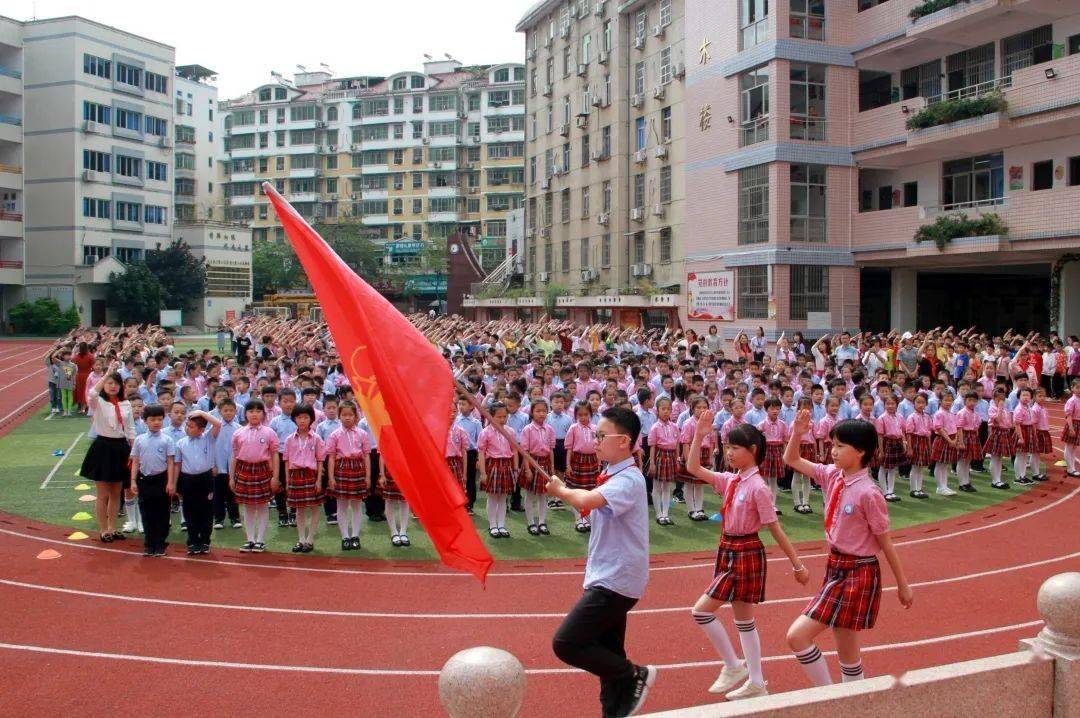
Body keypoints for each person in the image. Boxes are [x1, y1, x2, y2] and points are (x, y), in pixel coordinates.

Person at [783, 410, 913, 686]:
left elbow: (885, 542)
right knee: (848, 654)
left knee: (798, 636)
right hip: (836, 567)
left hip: (858, 570)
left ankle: (829, 697)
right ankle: (853, 700)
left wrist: (903, 585)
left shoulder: (869, 492)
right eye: (833, 444)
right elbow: (791, 459)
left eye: (841, 446)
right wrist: (797, 432)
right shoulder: (832, 476)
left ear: (861, 451)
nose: (833, 451)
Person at [685, 411, 809, 700]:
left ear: (752, 450)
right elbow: (693, 467)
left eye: (734, 448)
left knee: (701, 611)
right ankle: (756, 681)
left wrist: (797, 565)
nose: (728, 453)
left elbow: (775, 529)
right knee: (744, 621)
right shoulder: (731, 480)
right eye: (727, 447)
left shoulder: (757, 488)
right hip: (728, 549)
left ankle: (733, 666)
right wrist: (699, 435)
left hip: (745, 551)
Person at [546, 407, 656, 718]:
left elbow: (586, 501)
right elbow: (590, 506)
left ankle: (635, 674)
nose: (594, 441)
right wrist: (568, 493)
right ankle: (613, 711)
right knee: (608, 653)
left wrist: (561, 491)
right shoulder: (613, 477)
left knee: (566, 643)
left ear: (623, 441)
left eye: (600, 436)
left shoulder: (629, 480)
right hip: (608, 576)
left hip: (616, 580)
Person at [79, 361, 135, 542]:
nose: (113, 386)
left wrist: (133, 451)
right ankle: (103, 530)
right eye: (110, 383)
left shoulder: (126, 404)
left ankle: (113, 528)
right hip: (103, 448)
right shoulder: (99, 402)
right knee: (102, 494)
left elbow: (130, 428)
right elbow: (92, 393)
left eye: (116, 383)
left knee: (115, 491)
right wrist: (107, 374)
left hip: (120, 448)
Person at [229, 399, 279, 553]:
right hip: (243, 469)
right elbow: (234, 456)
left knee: (263, 505)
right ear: (245, 414)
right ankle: (250, 539)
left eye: (258, 411)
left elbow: (275, 455)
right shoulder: (238, 433)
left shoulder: (269, 432)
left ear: (263, 414)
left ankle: (261, 540)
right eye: (251, 411)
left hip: (262, 469)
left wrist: (275, 477)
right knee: (248, 506)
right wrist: (231, 477)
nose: (254, 414)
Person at [172, 409, 222, 555]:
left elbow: (218, 424)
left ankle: (205, 540)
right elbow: (178, 465)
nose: (188, 428)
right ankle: (193, 540)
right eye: (187, 425)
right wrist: (174, 483)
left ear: (201, 429)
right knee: (189, 511)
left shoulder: (208, 438)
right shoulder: (181, 443)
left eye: (192, 426)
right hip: (187, 479)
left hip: (205, 479)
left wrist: (201, 413)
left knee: (206, 510)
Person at [128, 404, 175, 556]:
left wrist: (170, 482)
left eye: (159, 419)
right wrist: (133, 481)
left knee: (162, 513)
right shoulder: (140, 440)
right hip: (144, 479)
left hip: (161, 479)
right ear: (144, 421)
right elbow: (135, 461)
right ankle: (149, 543)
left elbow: (170, 462)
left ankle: (160, 544)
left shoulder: (167, 439)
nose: (156, 422)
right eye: (152, 419)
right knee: (146, 512)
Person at [326, 401, 371, 551]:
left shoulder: (362, 433)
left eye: (350, 415)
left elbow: (366, 456)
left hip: (358, 468)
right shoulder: (334, 435)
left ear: (356, 416)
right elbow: (331, 457)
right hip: (341, 468)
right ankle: (345, 536)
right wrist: (331, 477)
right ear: (339, 416)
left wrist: (368, 476)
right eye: (344, 415)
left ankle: (355, 535)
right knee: (342, 506)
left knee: (357, 505)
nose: (347, 418)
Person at [283, 403, 325, 553]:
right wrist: (288, 480)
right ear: (294, 419)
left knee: (314, 508)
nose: (302, 420)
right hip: (295, 475)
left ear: (311, 419)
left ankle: (310, 539)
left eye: (306, 417)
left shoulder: (316, 438)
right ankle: (301, 539)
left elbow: (320, 460)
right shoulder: (289, 439)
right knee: (299, 510)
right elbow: (286, 460)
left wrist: (319, 480)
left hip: (311, 474)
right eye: (299, 417)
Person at [477, 402, 519, 539]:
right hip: (493, 465)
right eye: (498, 417)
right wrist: (483, 472)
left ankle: (501, 525)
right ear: (490, 417)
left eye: (504, 416)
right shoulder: (485, 432)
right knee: (492, 497)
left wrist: (516, 468)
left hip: (506, 464)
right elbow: (481, 453)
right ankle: (492, 525)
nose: (502, 419)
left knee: (503, 497)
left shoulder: (510, 431)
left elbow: (514, 451)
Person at [519, 398, 555, 536]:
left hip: (545, 463)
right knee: (530, 494)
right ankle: (530, 523)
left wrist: (552, 467)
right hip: (532, 462)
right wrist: (527, 469)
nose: (541, 414)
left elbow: (551, 449)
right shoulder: (527, 429)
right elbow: (525, 451)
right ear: (532, 412)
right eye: (538, 411)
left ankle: (542, 522)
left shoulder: (549, 429)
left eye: (544, 411)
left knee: (543, 494)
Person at [564, 401, 600, 533]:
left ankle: (587, 518)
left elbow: (599, 447)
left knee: (590, 491)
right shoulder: (573, 428)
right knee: (576, 491)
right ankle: (578, 519)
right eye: (580, 415)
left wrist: (600, 463)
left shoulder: (596, 428)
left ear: (590, 414)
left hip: (592, 461)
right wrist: (568, 465)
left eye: (586, 414)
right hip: (577, 460)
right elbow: (569, 448)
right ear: (576, 416)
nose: (583, 417)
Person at [647, 396, 679, 526]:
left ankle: (665, 514)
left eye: (668, 409)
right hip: (660, 456)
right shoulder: (655, 427)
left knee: (667, 487)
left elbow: (677, 444)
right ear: (657, 411)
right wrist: (653, 463)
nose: (666, 411)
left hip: (671, 456)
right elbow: (652, 446)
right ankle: (659, 514)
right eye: (663, 409)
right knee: (657, 487)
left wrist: (677, 459)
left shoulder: (674, 426)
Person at [212, 398, 242, 530]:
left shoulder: (239, 429)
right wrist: (212, 465)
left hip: (233, 467)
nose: (228, 413)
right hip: (218, 465)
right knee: (218, 493)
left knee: (232, 492)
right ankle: (219, 519)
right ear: (220, 411)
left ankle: (234, 517)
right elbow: (210, 446)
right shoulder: (216, 427)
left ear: (235, 411)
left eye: (231, 410)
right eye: (225, 410)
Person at [983, 389, 1015, 490]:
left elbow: (1009, 423)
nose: (1001, 401)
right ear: (995, 399)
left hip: (1004, 433)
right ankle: (995, 480)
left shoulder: (1005, 410)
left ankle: (998, 479)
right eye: (999, 399)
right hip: (997, 433)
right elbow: (997, 420)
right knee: (995, 457)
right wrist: (1000, 408)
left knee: (999, 458)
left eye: (1003, 399)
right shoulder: (992, 408)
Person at [930, 392, 960, 496]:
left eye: (950, 400)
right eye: (946, 400)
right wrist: (950, 440)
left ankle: (944, 486)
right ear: (940, 401)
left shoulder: (951, 414)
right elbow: (940, 428)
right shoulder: (939, 413)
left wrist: (955, 439)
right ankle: (940, 487)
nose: (948, 402)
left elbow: (955, 427)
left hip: (951, 439)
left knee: (945, 465)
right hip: (943, 439)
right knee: (940, 464)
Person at [904, 393, 933, 498]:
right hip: (915, 441)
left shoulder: (927, 417)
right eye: (918, 402)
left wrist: (929, 446)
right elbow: (909, 434)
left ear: (926, 404)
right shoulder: (911, 417)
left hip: (924, 441)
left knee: (921, 468)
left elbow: (929, 432)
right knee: (915, 467)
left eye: (923, 402)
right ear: (914, 403)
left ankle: (919, 488)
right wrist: (910, 448)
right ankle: (913, 489)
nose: (920, 405)